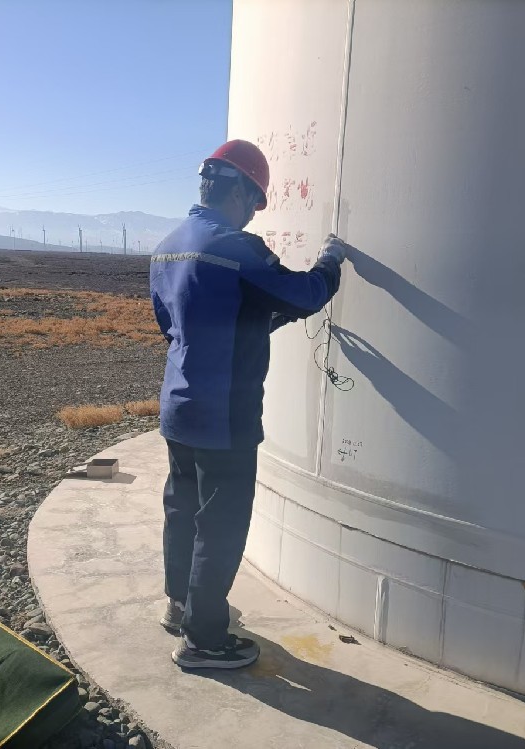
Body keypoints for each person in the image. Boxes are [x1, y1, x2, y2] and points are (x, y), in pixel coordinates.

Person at [150, 139, 351, 669]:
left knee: (183, 510)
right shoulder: (238, 247)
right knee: (221, 524)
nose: (253, 213)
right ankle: (204, 640)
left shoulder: (168, 245)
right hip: (225, 415)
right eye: (255, 201)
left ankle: (180, 605)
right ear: (238, 189)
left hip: (179, 405)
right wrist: (331, 262)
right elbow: (305, 294)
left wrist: (256, 321)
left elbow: (177, 325)